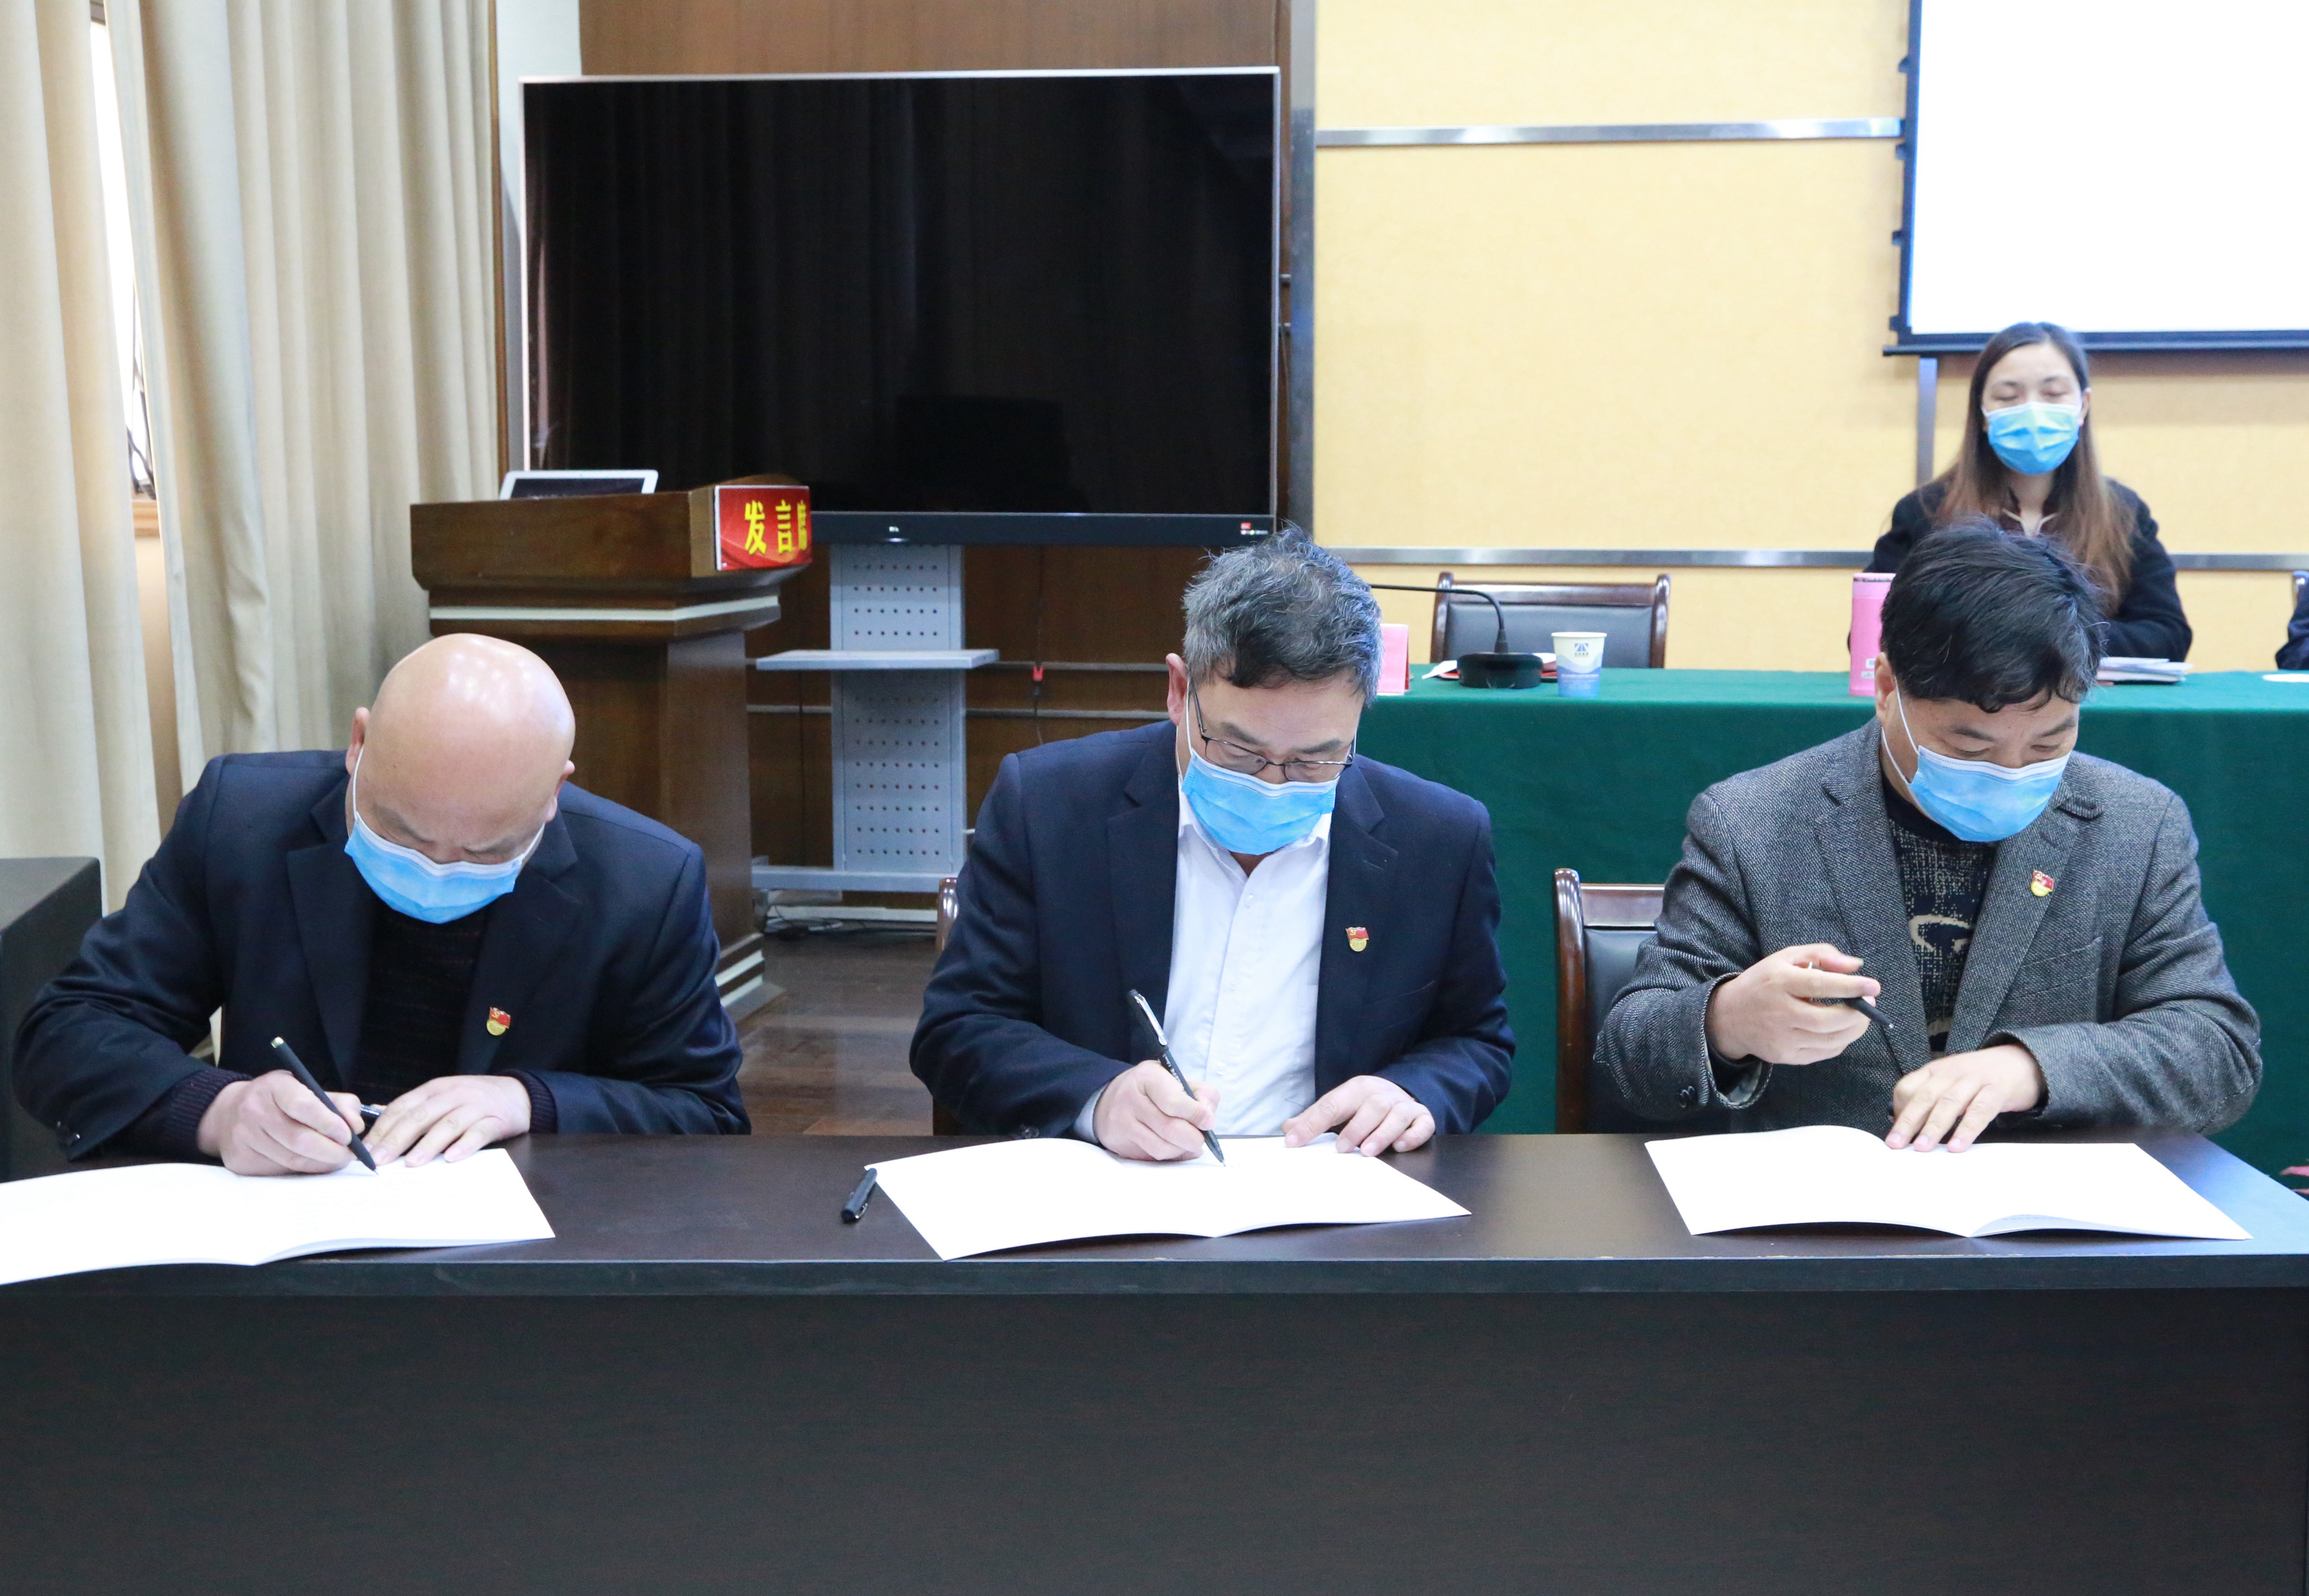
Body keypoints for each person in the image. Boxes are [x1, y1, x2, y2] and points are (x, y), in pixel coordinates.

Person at [1597, 521, 2257, 1151]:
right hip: (1828, 1210)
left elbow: (2216, 1053)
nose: (2011, 769)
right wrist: (1726, 1021)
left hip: (2045, 1212)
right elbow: (1630, 1059)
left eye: (2047, 744)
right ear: (1887, 687)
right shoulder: (1754, 821)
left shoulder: (2135, 823)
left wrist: (2031, 1067)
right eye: (1969, 747)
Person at [14, 635, 748, 1175]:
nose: (436, 869)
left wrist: (531, 1101)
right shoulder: (240, 820)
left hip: (526, 1257)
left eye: (486, 850)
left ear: (555, 790)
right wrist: (218, 1109)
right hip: (280, 1241)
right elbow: (71, 1031)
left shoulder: (645, 880)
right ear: (358, 743)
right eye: (401, 833)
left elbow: (706, 1111)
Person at [912, 535, 1512, 1159]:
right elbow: (959, 1030)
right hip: (1111, 1182)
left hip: (1329, 1185)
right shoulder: (1049, 806)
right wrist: (1097, 1097)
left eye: (1315, 759)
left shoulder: (1436, 837)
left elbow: (1475, 1041)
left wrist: (1409, 1092)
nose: (1272, 783)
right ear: (1179, 691)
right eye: (1239, 750)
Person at [1870, 320, 2190, 661]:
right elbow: (1873, 634)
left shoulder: (2122, 512)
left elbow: (2168, 634)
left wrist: (2046, 638)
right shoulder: (1925, 512)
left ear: (2082, 405)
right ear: (1982, 413)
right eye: (2008, 397)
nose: (2032, 410)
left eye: (2053, 394)